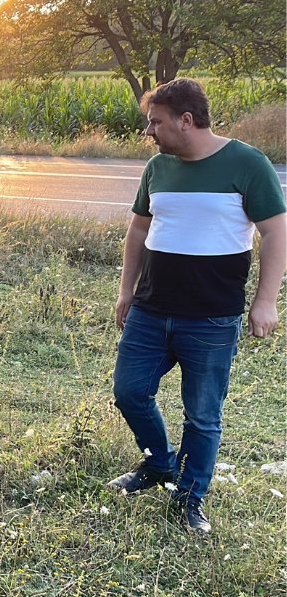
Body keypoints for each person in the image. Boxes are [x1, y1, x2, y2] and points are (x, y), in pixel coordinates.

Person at [107, 78, 286, 535]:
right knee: (130, 391)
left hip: (211, 317)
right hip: (150, 309)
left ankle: (190, 498)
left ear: (186, 121)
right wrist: (126, 291)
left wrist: (266, 300)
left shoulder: (247, 164)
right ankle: (160, 464)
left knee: (203, 416)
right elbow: (138, 232)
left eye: (156, 123)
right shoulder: (157, 168)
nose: (149, 132)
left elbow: (276, 233)